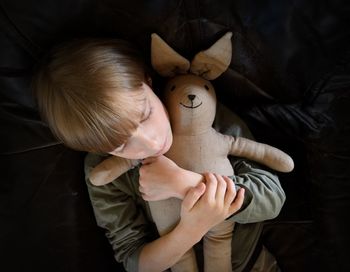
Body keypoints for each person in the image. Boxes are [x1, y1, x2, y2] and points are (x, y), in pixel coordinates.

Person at [33, 38, 286, 272]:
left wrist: (185, 184)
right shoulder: (103, 171)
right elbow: (134, 259)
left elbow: (272, 198)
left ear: (147, 81)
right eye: (121, 146)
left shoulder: (199, 111)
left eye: (145, 115)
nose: (151, 142)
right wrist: (191, 229)